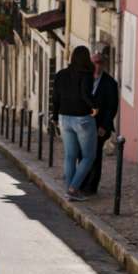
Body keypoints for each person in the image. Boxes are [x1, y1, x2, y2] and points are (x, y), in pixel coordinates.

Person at [52, 46, 98, 202]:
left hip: (64, 118)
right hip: (82, 118)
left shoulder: (60, 75)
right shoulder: (86, 75)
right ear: (86, 59)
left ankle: (69, 191)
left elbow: (55, 98)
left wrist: (54, 116)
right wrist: (94, 106)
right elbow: (85, 94)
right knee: (89, 156)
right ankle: (73, 188)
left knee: (70, 156)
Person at [81, 50, 119, 195]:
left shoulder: (110, 83)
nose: (97, 66)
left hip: (99, 126)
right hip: (83, 124)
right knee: (82, 154)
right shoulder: (84, 79)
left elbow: (112, 107)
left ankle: (91, 186)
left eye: (99, 62)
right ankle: (81, 182)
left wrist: (104, 126)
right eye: (94, 62)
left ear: (103, 64)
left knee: (95, 155)